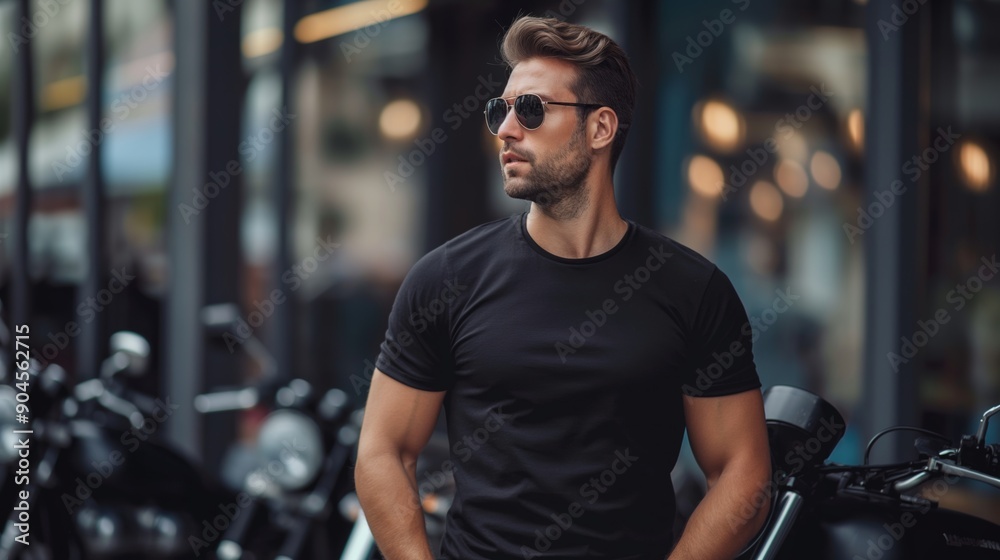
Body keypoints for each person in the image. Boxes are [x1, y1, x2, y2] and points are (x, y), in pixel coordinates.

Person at [355, 16, 771, 560]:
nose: (506, 128)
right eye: (498, 110)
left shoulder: (692, 290)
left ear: (600, 128)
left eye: (530, 109)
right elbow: (383, 451)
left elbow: (741, 472)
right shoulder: (447, 279)